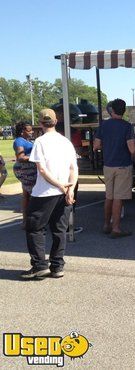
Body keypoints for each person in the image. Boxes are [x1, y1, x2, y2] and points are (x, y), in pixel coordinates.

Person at [21, 109, 78, 279]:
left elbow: (43, 170)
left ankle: (39, 265)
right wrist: (70, 188)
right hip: (64, 190)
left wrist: (59, 185)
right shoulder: (66, 142)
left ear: (40, 123)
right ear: (56, 121)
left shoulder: (40, 141)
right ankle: (57, 266)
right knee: (59, 229)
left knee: (34, 228)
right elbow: (73, 168)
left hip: (45, 191)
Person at [94, 98, 135, 238]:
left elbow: (96, 145)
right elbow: (131, 148)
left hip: (108, 165)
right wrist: (134, 154)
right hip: (123, 165)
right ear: (124, 111)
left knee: (109, 197)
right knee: (119, 197)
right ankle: (116, 228)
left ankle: (106, 224)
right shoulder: (127, 126)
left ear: (111, 110)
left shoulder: (103, 125)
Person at [12, 122, 37, 225]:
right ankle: (31, 221)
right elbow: (20, 157)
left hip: (29, 168)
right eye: (29, 130)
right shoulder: (19, 141)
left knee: (26, 195)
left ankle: (26, 221)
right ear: (22, 132)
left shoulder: (26, 140)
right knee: (33, 195)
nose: (32, 132)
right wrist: (36, 156)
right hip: (25, 169)